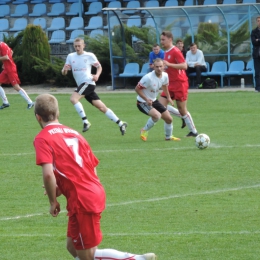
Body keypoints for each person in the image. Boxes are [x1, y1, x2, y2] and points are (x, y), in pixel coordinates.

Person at [33, 93, 157, 260]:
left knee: (87, 256)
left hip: (82, 199)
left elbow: (48, 174)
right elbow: (89, 168)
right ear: (58, 113)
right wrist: (62, 188)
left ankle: (136, 259)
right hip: (90, 192)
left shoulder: (43, 138)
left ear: (37, 117)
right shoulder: (75, 133)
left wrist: (52, 202)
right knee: (72, 247)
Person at [62, 38, 127, 134]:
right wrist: (64, 69)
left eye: (79, 46)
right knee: (101, 107)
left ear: (84, 45)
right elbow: (64, 72)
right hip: (83, 85)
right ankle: (121, 123)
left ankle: (85, 122)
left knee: (73, 99)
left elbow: (99, 67)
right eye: (75, 46)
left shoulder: (89, 55)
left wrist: (97, 75)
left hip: (88, 83)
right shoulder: (70, 56)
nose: (77, 48)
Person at [159, 31, 198, 137]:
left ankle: (194, 132)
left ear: (170, 39)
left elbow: (184, 66)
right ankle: (183, 117)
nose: (161, 41)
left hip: (180, 83)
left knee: (182, 109)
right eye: (161, 39)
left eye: (163, 39)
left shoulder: (175, 51)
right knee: (160, 106)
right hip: (169, 84)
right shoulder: (166, 52)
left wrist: (169, 64)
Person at [135, 58, 181, 142]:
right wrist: (146, 99)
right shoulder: (148, 78)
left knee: (169, 119)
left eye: (160, 66)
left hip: (153, 100)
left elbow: (165, 86)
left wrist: (169, 98)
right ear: (153, 67)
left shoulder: (165, 75)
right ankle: (144, 130)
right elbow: (137, 89)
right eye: (157, 67)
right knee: (157, 116)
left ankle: (168, 137)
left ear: (164, 66)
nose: (159, 68)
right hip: (142, 102)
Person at [0, 41, 34, 110]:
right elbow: (11, 52)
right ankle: (5, 102)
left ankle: (30, 102)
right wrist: (6, 63)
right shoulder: (2, 44)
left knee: (16, 87)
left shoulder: (2, 46)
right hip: (7, 68)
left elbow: (6, 57)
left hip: (10, 69)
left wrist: (7, 61)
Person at [251, 16, 260, 92]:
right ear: (256, 22)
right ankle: (257, 88)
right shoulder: (254, 32)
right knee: (257, 72)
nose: (259, 22)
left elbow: (257, 41)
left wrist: (258, 39)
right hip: (256, 55)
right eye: (258, 21)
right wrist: (257, 40)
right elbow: (254, 42)